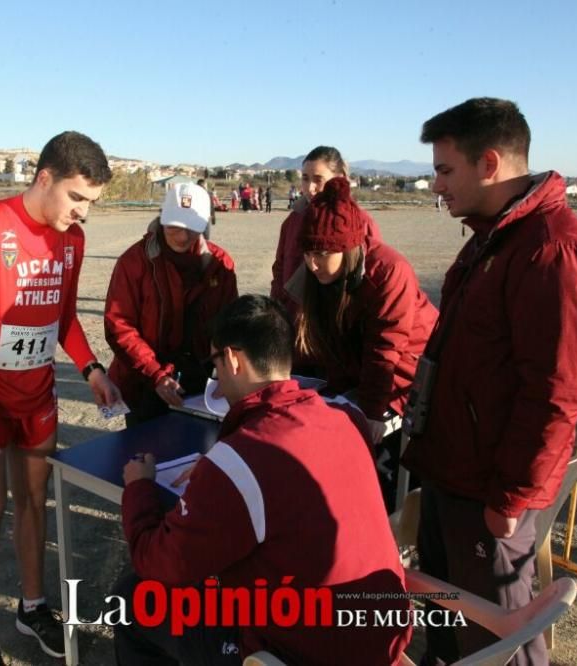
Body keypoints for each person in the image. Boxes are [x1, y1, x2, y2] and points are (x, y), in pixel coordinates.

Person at [403, 98, 577, 665]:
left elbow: (556, 395)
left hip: (488, 496)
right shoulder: (495, 238)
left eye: (445, 170)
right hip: (454, 476)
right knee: (450, 633)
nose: (436, 184)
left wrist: (512, 499)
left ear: (489, 162)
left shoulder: (554, 252)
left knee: (500, 646)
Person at [114, 295, 411, 665]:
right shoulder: (346, 417)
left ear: (234, 359)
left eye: (216, 364)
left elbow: (161, 562)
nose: (217, 379)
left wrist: (140, 488)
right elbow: (292, 475)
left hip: (296, 651)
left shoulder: (238, 463)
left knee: (131, 598)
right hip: (380, 637)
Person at [0, 131, 123, 666]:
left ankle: (32, 606)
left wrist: (91, 369)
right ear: (45, 178)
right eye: (77, 198)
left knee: (35, 505)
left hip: (37, 397)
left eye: (92, 203)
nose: (83, 212)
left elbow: (61, 318)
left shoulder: (72, 241)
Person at [290, 176, 437, 509]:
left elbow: (386, 348)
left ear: (347, 248)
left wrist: (369, 411)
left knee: (389, 473)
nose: (312, 264)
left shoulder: (390, 270)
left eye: (322, 254)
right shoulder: (320, 275)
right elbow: (329, 340)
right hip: (363, 375)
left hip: (406, 378)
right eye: (307, 253)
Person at [104, 183, 238, 426]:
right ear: (162, 220)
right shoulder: (134, 262)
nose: (183, 237)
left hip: (201, 383)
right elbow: (119, 326)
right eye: (175, 227)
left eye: (192, 228)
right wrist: (155, 374)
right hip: (143, 380)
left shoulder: (220, 264)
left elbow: (229, 327)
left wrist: (227, 376)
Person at [270, 146, 380, 319]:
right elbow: (279, 268)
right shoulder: (293, 221)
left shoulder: (360, 222)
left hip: (335, 319)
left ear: (340, 179)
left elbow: (370, 275)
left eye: (318, 179)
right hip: (291, 318)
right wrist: (277, 306)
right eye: (305, 179)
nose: (310, 187)